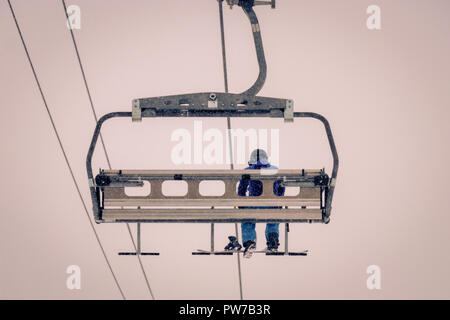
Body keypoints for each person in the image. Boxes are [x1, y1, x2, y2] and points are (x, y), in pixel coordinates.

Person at [224, 149, 285, 258]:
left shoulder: (248, 170)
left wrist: (241, 203)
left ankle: (250, 241)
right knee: (273, 219)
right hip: (272, 206)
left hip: (254, 205)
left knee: (247, 220)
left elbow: (242, 189)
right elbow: (281, 188)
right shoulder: (275, 170)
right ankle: (272, 240)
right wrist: (279, 202)